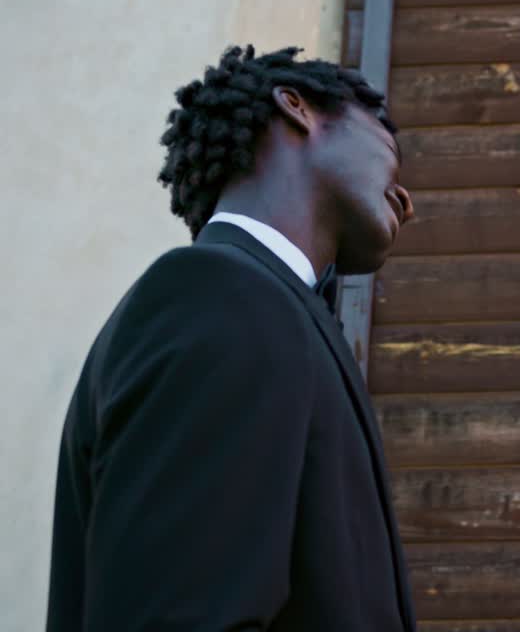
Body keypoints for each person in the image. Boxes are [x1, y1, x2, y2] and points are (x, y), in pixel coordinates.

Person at [47, 45, 418, 631]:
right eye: (390, 155)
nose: (406, 200)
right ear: (298, 109)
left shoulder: (257, 306)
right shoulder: (218, 295)